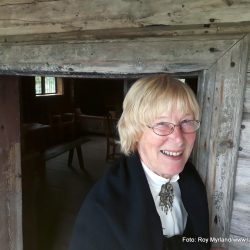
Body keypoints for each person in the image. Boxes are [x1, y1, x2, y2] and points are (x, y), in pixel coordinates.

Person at [69, 74, 210, 250]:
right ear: (135, 131)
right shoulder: (102, 210)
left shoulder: (191, 178)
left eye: (186, 121)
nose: (179, 139)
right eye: (162, 123)